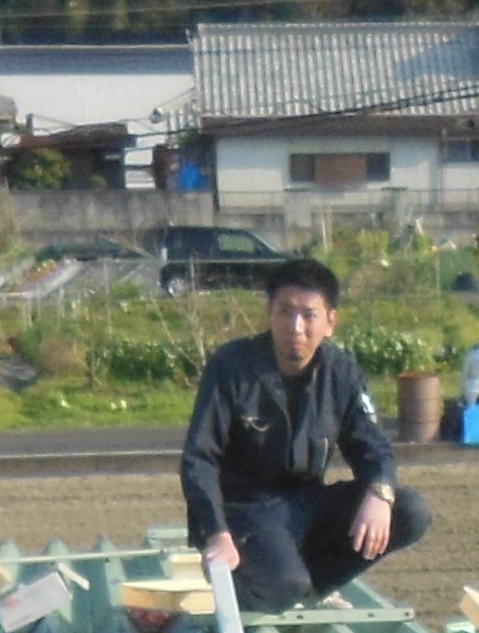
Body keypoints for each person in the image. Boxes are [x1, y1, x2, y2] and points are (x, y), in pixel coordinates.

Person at [182, 257, 432, 613]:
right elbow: (199, 458)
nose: (295, 326)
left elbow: (372, 445)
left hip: (305, 503)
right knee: (283, 585)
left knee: (410, 511)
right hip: (243, 509)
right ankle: (263, 583)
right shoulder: (232, 367)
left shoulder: (341, 372)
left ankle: (310, 589)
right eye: (285, 312)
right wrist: (215, 531)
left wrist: (380, 491)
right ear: (269, 313)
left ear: (330, 322)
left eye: (308, 315)